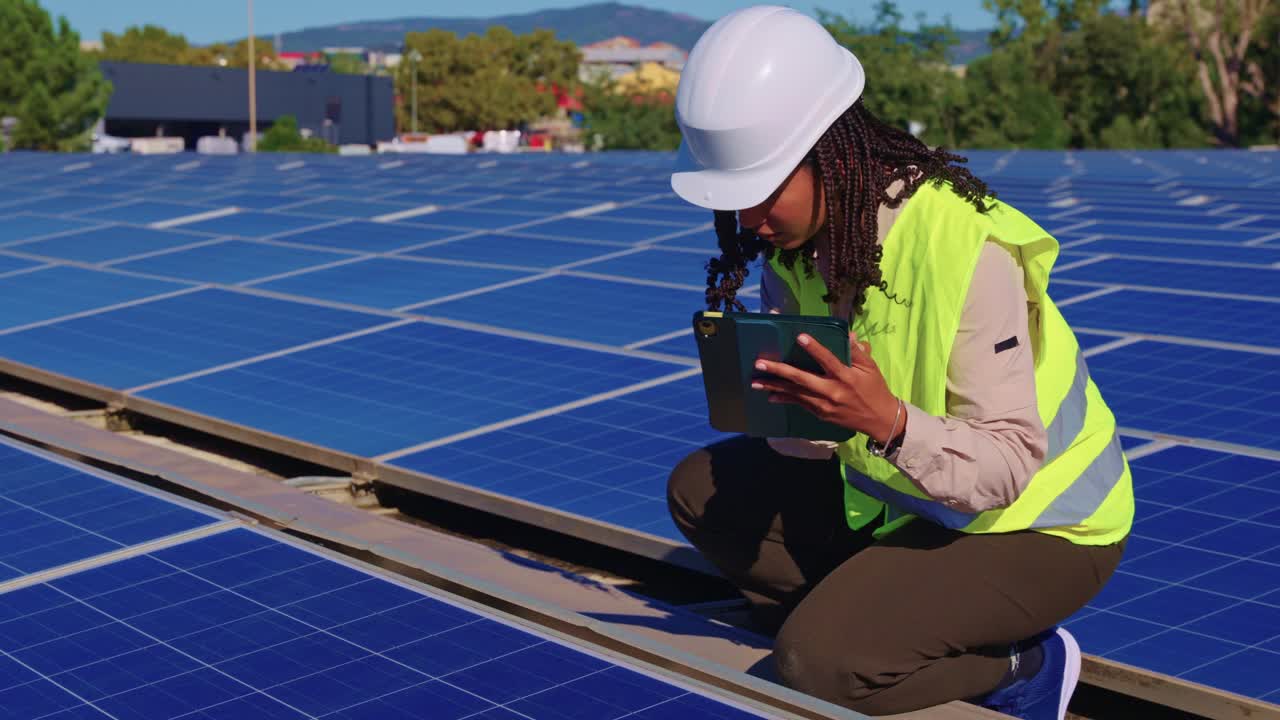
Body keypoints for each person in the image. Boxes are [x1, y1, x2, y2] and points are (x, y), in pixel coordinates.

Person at [665, 6, 1133, 720]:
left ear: (827, 151)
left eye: (758, 190)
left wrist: (881, 420)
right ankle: (878, 617)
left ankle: (1023, 664)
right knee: (700, 491)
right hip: (909, 496)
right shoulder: (795, 252)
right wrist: (786, 408)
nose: (748, 220)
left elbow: (1007, 468)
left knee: (818, 663)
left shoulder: (963, 248)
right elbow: (816, 448)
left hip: (1038, 524)